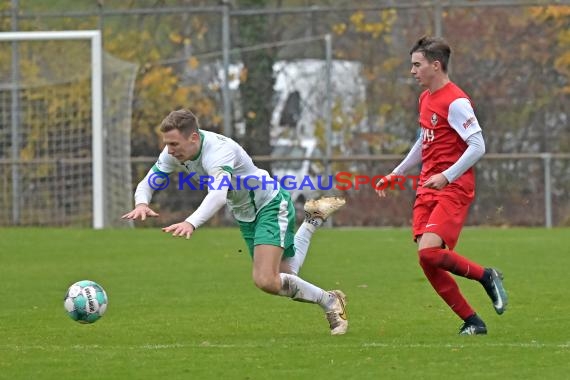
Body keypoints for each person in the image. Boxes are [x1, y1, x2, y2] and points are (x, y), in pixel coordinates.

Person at [122, 109, 348, 335]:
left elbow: (218, 195)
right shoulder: (173, 152)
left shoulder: (218, 151)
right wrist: (141, 203)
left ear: (194, 137)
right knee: (284, 275)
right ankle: (312, 220)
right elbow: (148, 182)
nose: (170, 150)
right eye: (167, 144)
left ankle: (330, 302)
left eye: (174, 144)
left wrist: (191, 222)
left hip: (269, 204)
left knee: (266, 280)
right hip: (245, 213)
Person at [376, 36, 508, 335]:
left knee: (428, 253)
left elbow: (478, 145)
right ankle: (472, 320)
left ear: (436, 66)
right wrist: (397, 172)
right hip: (428, 186)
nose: (412, 71)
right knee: (428, 261)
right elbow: (424, 143)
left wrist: (447, 175)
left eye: (417, 65)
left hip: (453, 186)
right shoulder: (425, 99)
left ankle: (486, 276)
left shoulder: (456, 101)